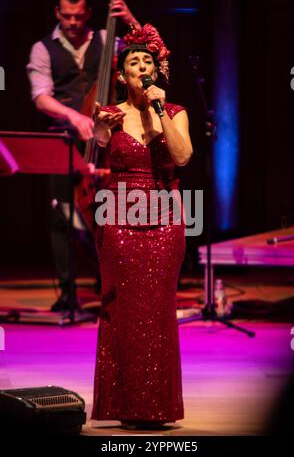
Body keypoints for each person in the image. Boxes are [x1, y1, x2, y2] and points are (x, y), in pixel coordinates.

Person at [91, 23, 193, 429]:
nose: (141, 67)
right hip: (119, 219)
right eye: (133, 62)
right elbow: (97, 137)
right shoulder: (113, 116)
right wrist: (100, 121)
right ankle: (122, 404)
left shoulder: (174, 112)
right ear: (122, 75)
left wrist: (158, 110)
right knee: (122, 309)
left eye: (147, 61)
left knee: (157, 311)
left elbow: (182, 156)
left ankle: (158, 406)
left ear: (157, 70)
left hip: (165, 221)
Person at [26, 0, 140, 312]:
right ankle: (67, 293)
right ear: (56, 13)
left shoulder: (106, 39)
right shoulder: (42, 49)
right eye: (66, 16)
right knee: (62, 216)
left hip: (106, 141)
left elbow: (145, 52)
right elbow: (41, 96)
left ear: (88, 12)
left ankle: (114, 287)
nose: (73, 22)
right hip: (64, 141)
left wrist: (129, 19)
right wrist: (74, 115)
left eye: (78, 16)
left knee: (109, 213)